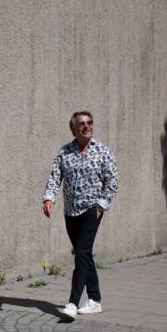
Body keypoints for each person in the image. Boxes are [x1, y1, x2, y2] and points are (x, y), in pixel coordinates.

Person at [42, 111, 118, 321]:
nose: (87, 126)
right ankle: (95, 300)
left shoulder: (102, 151)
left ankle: (73, 303)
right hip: (71, 212)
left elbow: (112, 181)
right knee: (84, 254)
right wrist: (49, 199)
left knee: (82, 253)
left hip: (91, 211)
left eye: (89, 123)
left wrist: (101, 206)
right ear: (74, 129)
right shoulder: (64, 152)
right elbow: (55, 177)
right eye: (82, 124)